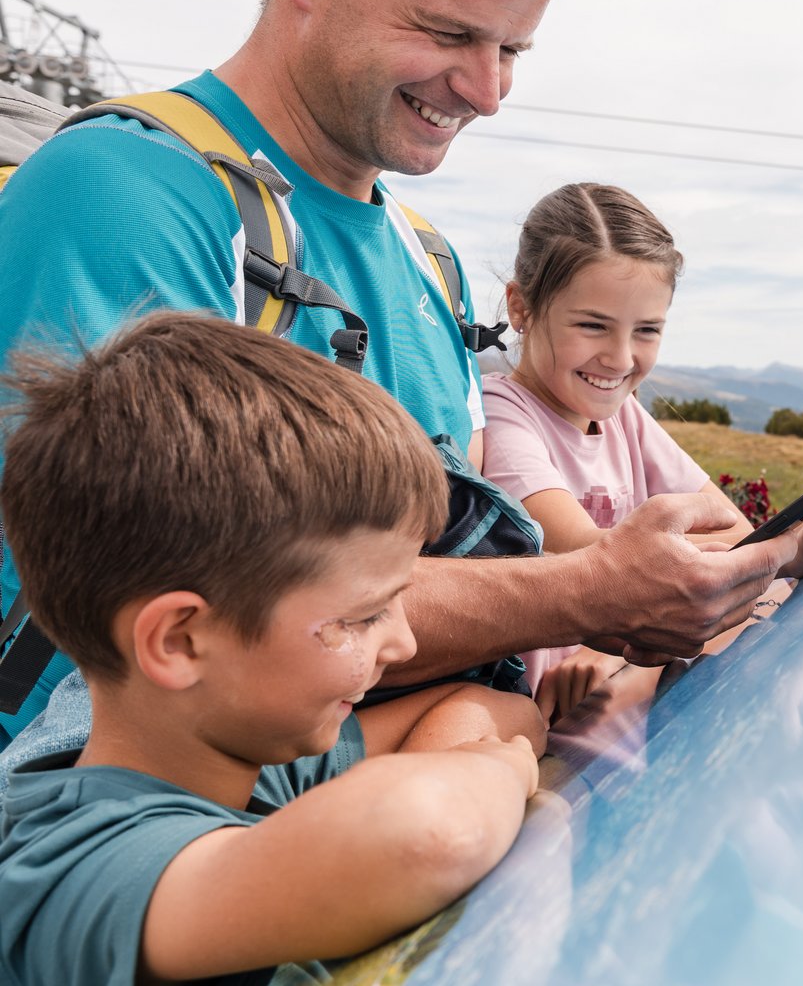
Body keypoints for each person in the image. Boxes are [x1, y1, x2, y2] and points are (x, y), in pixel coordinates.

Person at [0, 0, 803, 755]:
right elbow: (193, 600)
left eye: (511, 47)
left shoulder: (430, 264)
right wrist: (590, 593)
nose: (486, 91)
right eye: (447, 33)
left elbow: (460, 568)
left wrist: (762, 556)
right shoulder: (128, 196)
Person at [0, 313, 547, 985]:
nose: (404, 643)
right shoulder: (62, 867)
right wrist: (497, 773)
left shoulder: (252, 764)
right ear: (180, 641)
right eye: (365, 615)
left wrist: (453, 771)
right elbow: (429, 836)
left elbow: (494, 710)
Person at [479, 183, 803, 721]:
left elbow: (736, 532)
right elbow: (596, 564)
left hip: (626, 682)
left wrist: (799, 535)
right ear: (521, 307)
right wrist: (791, 544)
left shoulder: (624, 416)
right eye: (592, 325)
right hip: (549, 714)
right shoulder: (502, 416)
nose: (621, 359)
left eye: (646, 330)